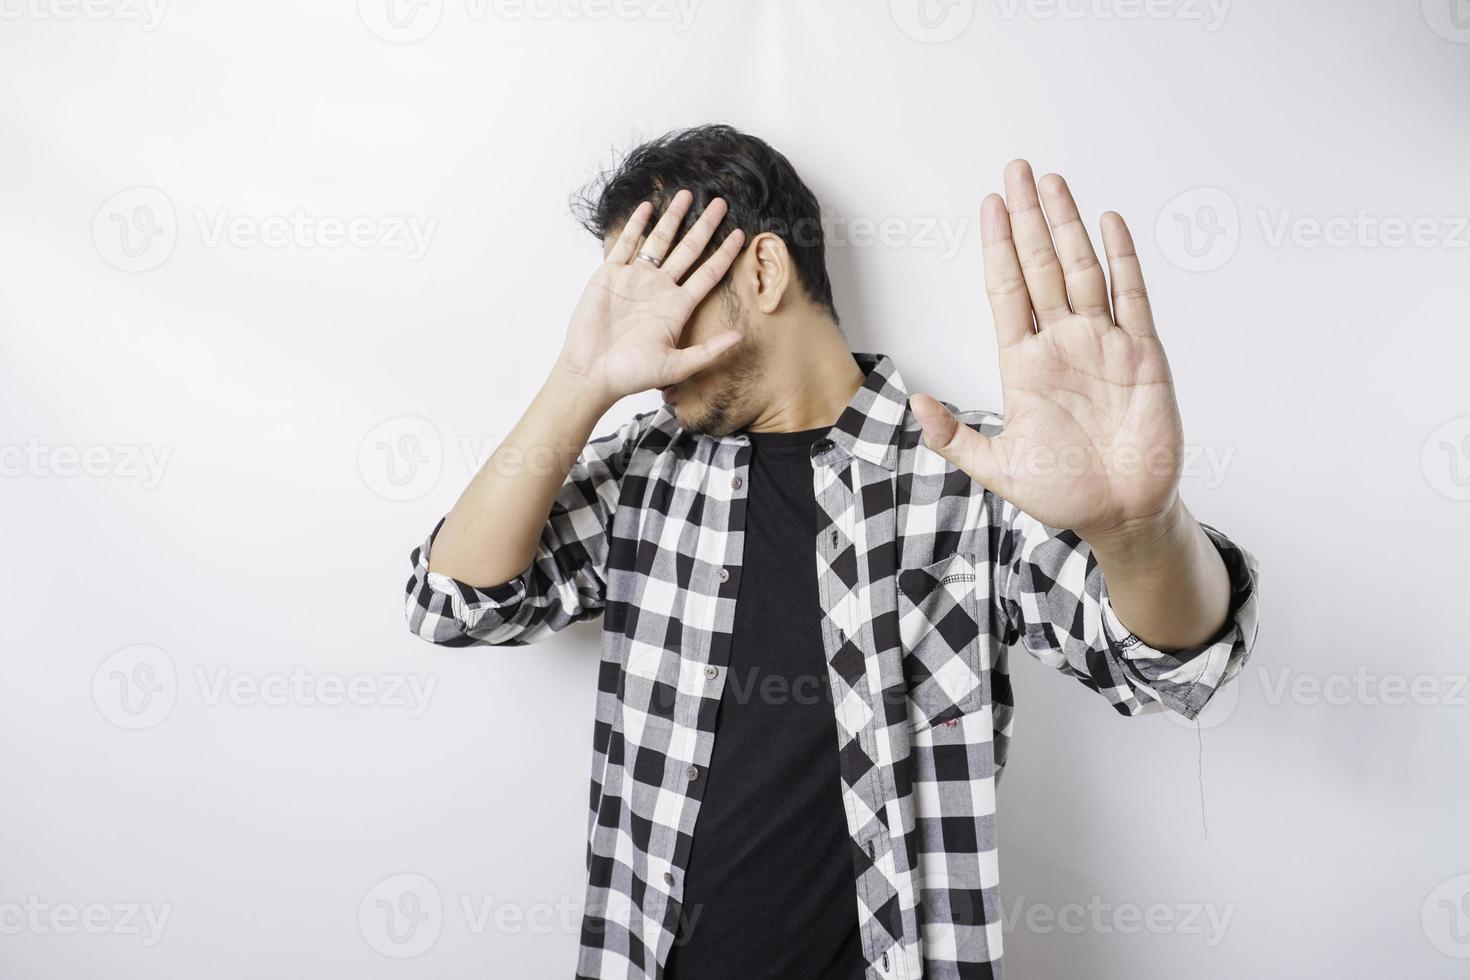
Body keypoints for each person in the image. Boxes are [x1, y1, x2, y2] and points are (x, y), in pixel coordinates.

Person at [404, 124, 1260, 980]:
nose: (646, 343)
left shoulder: (975, 471)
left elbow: (1173, 670)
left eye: (659, 293)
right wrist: (579, 377)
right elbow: (455, 605)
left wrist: (1135, 528)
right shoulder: (643, 469)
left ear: (764, 271)